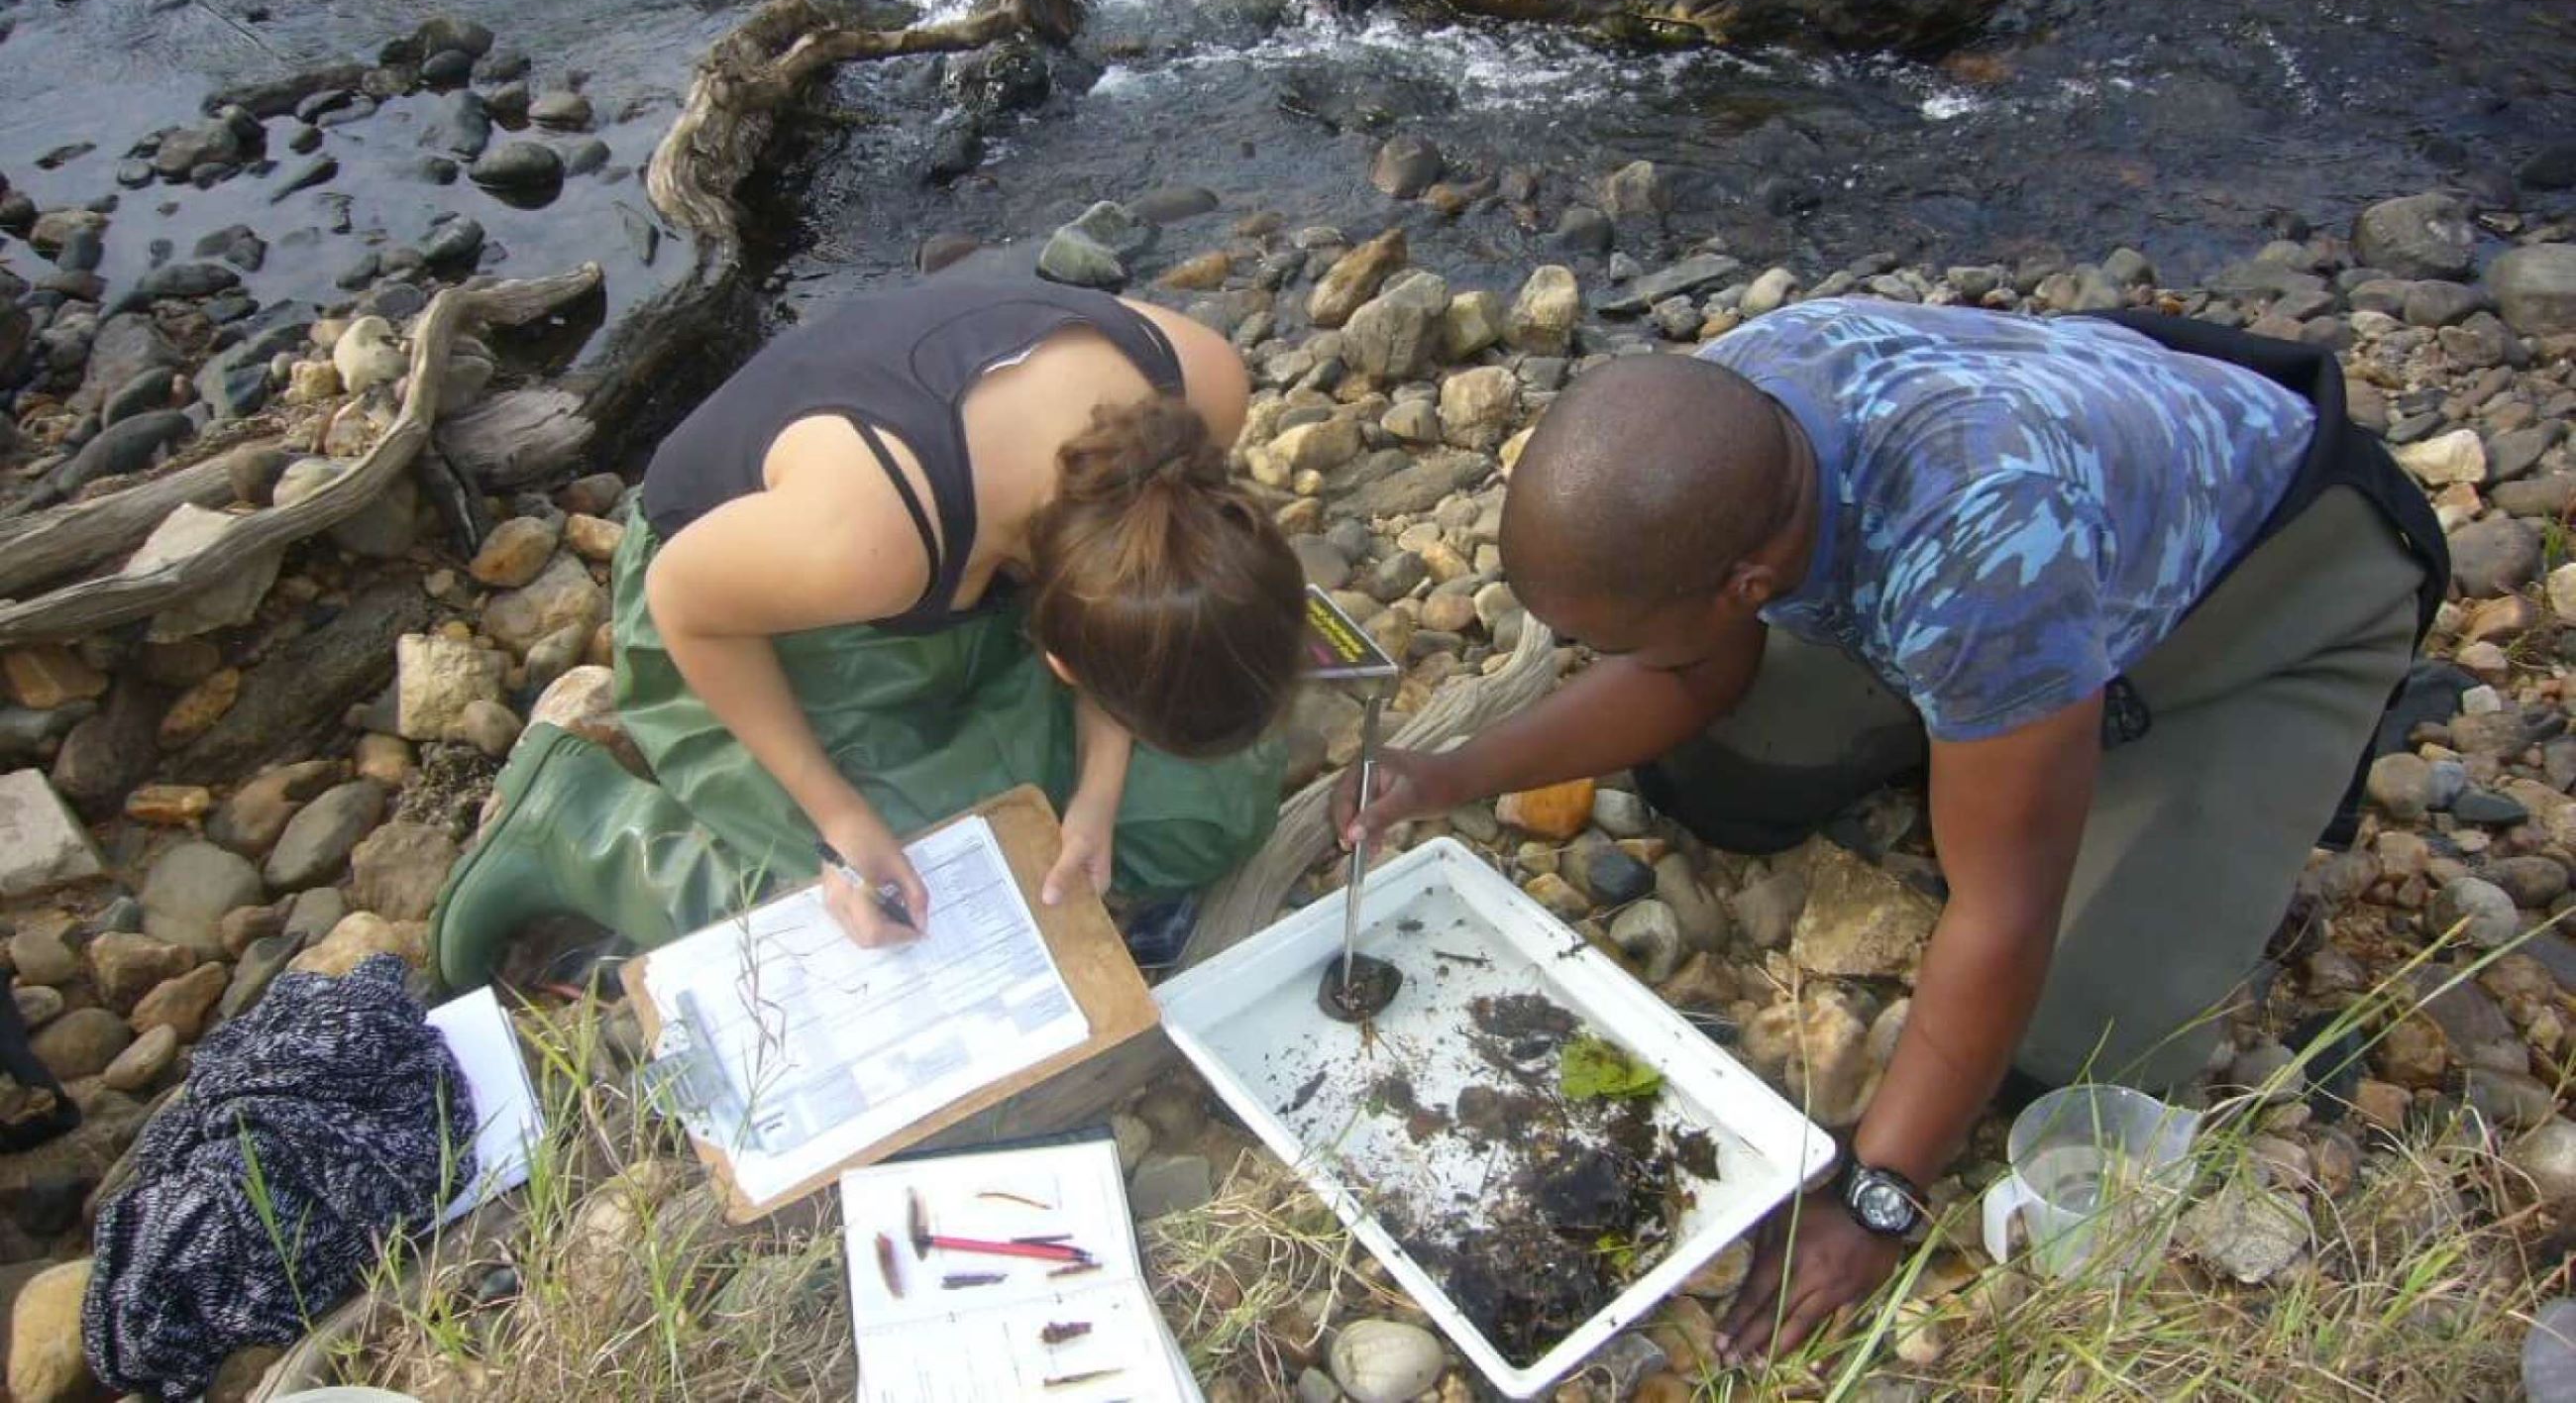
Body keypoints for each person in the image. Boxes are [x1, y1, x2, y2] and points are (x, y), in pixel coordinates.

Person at [1334, 297, 2444, 1361]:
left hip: (2275, 588)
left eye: (1608, 637)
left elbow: (2003, 907)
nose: (1584, 650)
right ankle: (2007, 728)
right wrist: (1449, 772)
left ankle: (2045, 724)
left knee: (2068, 1053)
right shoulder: (1731, 403)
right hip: (2045, 522)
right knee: (1717, 784)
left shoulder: (1979, 563)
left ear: (1746, 581)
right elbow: (1687, 674)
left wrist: (1877, 1193)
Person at [430, 277, 1307, 988]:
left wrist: (1101, 791)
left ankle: (988, 755)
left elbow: (1145, 609)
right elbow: (681, 600)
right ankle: (582, 827)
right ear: (1059, 663)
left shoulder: (1202, 390)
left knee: (1218, 802)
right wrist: (836, 818)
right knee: (901, 902)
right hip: (757, 602)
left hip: (972, 568)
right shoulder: (860, 543)